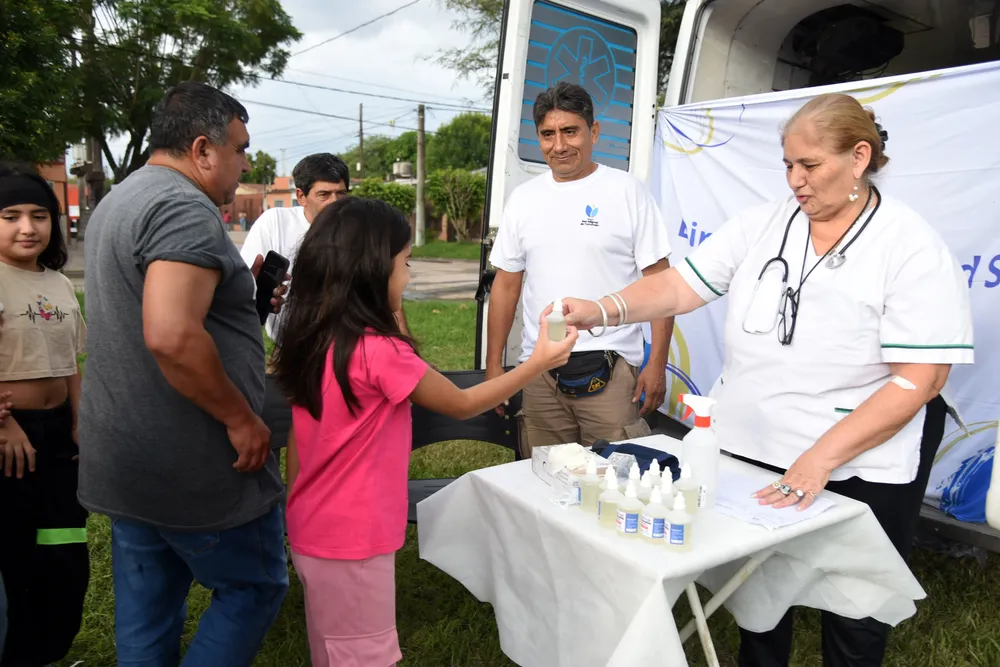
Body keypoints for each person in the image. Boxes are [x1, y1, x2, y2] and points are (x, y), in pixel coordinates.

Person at [560, 93, 974, 666]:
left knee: (856, 604)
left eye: (809, 166)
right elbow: (680, 286)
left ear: (859, 157)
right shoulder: (764, 224)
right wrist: (601, 309)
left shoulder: (909, 245)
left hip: (860, 457)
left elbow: (921, 379)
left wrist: (822, 458)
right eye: (787, 165)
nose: (795, 181)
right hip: (757, 442)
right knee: (758, 591)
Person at [271, 196, 578, 667]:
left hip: (314, 526)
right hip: (356, 536)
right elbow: (460, 402)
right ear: (372, 272)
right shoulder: (380, 352)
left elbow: (296, 438)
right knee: (365, 655)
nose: (410, 275)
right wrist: (536, 362)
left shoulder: (313, 335)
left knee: (331, 648)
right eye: (404, 262)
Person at [78, 82, 290, 667]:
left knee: (150, 607)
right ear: (203, 149)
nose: (245, 164)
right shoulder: (182, 208)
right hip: (194, 462)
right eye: (240, 149)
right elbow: (171, 335)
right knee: (253, 587)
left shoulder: (120, 201)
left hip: (127, 457)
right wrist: (241, 419)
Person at [487, 82, 674, 455]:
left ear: (594, 131)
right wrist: (494, 368)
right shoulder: (523, 199)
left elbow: (661, 285)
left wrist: (657, 364)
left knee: (617, 483)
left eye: (570, 131)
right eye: (547, 134)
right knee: (545, 481)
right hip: (538, 369)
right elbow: (506, 287)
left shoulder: (627, 192)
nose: (559, 145)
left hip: (613, 369)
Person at [239, 153, 409, 451]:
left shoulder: (357, 228)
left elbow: (385, 292)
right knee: (289, 431)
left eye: (341, 194)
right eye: (324, 194)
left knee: (341, 441)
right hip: (294, 351)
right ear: (301, 196)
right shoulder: (275, 222)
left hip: (351, 353)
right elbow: (247, 288)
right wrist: (265, 296)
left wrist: (404, 348)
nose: (334, 202)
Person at [0, 163, 89, 666]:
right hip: (11, 442)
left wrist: (79, 420)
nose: (27, 227)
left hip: (58, 440)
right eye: (10, 216)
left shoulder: (57, 283)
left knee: (63, 553)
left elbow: (69, 363)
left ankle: (47, 652)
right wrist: (5, 424)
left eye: (38, 215)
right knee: (14, 558)